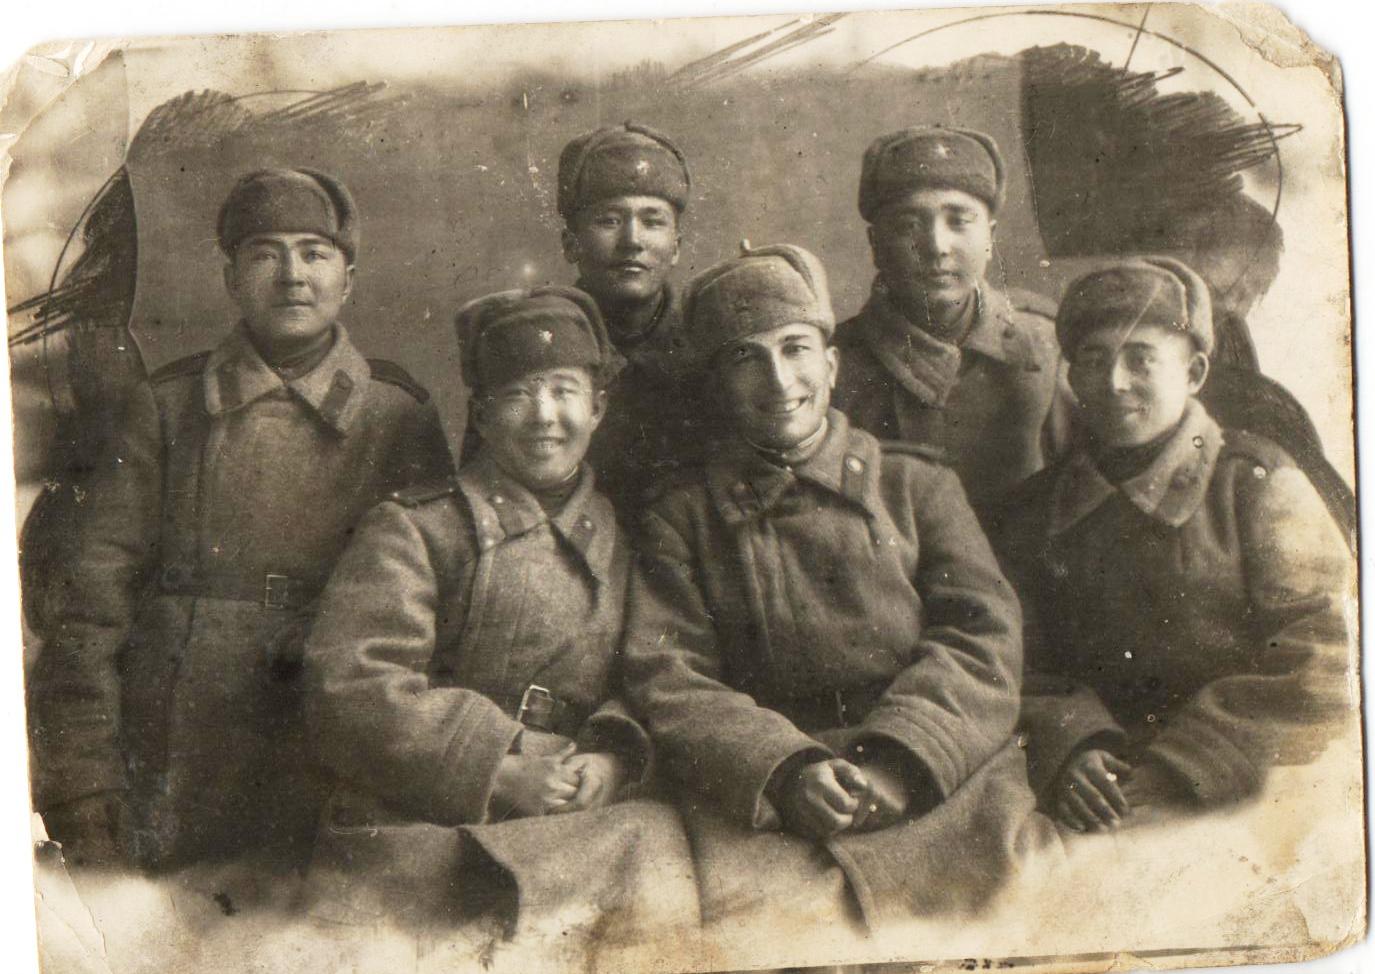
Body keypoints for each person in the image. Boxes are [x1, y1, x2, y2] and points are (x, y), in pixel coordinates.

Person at [25, 167, 452, 870]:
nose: (292, 276)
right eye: (265, 254)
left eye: (314, 253)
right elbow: (91, 603)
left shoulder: (397, 416)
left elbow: (441, 609)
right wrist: (84, 775)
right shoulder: (166, 406)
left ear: (348, 278)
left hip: (330, 740)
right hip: (175, 739)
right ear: (230, 278)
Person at [621, 243, 1057, 926]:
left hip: (940, 774)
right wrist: (785, 770)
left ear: (830, 365)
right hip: (768, 797)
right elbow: (669, 675)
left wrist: (901, 758)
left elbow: (983, 638)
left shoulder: (916, 485)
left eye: (795, 348)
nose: (777, 379)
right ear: (716, 387)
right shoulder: (682, 517)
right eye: (745, 358)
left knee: (1015, 913)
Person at [300, 287, 651, 917]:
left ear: (597, 408)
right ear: (483, 417)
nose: (544, 416)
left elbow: (649, 678)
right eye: (517, 395)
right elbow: (351, 688)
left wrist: (610, 760)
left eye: (564, 391)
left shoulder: (623, 540)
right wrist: (498, 768)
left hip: (574, 823)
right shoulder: (415, 528)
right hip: (417, 821)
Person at [992, 257, 1352, 833]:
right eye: (1093, 359)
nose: (1114, 382)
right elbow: (1014, 658)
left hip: (1244, 776)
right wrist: (1070, 746)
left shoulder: (1255, 484)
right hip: (1094, 790)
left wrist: (1189, 761)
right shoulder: (1033, 514)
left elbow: (1328, 650)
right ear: (1072, 379)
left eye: (1141, 358)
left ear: (1194, 372)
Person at [832, 125, 1070, 519]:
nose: (937, 246)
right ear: (875, 245)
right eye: (908, 226)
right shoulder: (833, 369)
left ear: (990, 238)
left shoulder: (1047, 345)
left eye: (959, 221)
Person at [552, 121, 707, 522]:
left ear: (677, 246)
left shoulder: (710, 349)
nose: (632, 240)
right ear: (571, 244)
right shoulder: (534, 354)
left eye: (653, 221)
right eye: (609, 220)